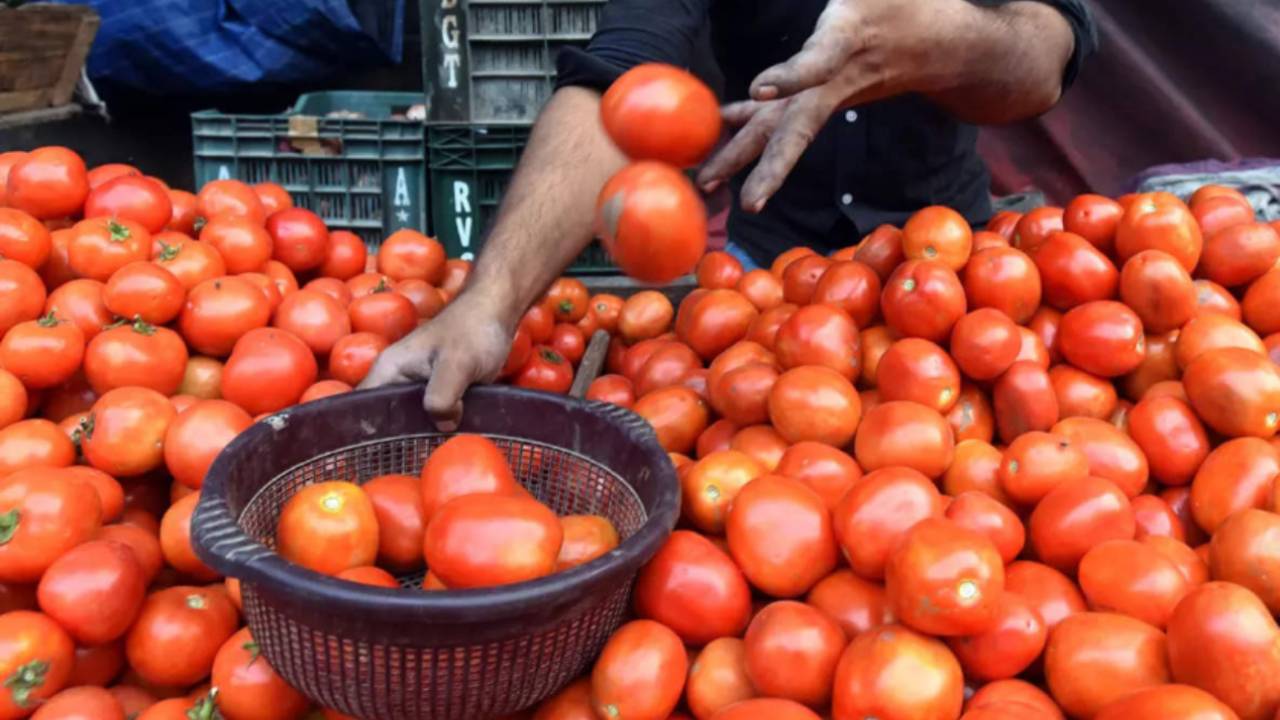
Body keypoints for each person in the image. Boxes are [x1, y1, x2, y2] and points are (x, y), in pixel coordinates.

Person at [362, 0, 1097, 428]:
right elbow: (621, 82)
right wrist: (490, 305)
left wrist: (944, 46)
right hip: (766, 287)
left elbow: (1047, 52)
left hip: (959, 285)